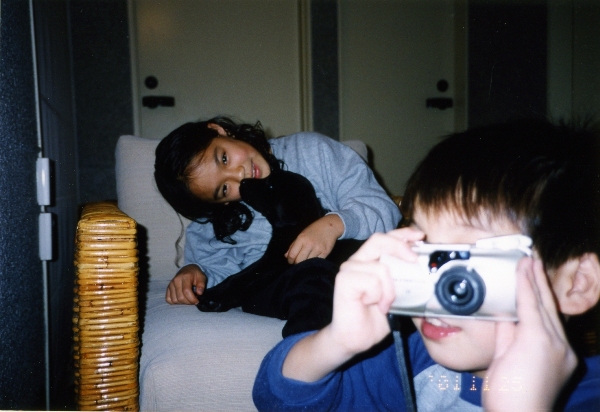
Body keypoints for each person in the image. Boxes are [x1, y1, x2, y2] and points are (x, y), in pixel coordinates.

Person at [252, 119, 600, 411]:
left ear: (577, 283)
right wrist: (336, 342)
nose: (435, 287)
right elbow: (280, 400)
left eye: (461, 263)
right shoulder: (412, 361)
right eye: (423, 251)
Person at [154, 116, 401, 337]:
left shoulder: (312, 151)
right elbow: (221, 276)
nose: (239, 175)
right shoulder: (218, 222)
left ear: (219, 130)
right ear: (220, 203)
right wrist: (195, 273)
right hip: (278, 287)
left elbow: (384, 209)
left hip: (353, 271)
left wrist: (333, 225)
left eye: (224, 158)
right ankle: (305, 353)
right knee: (312, 277)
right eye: (224, 189)